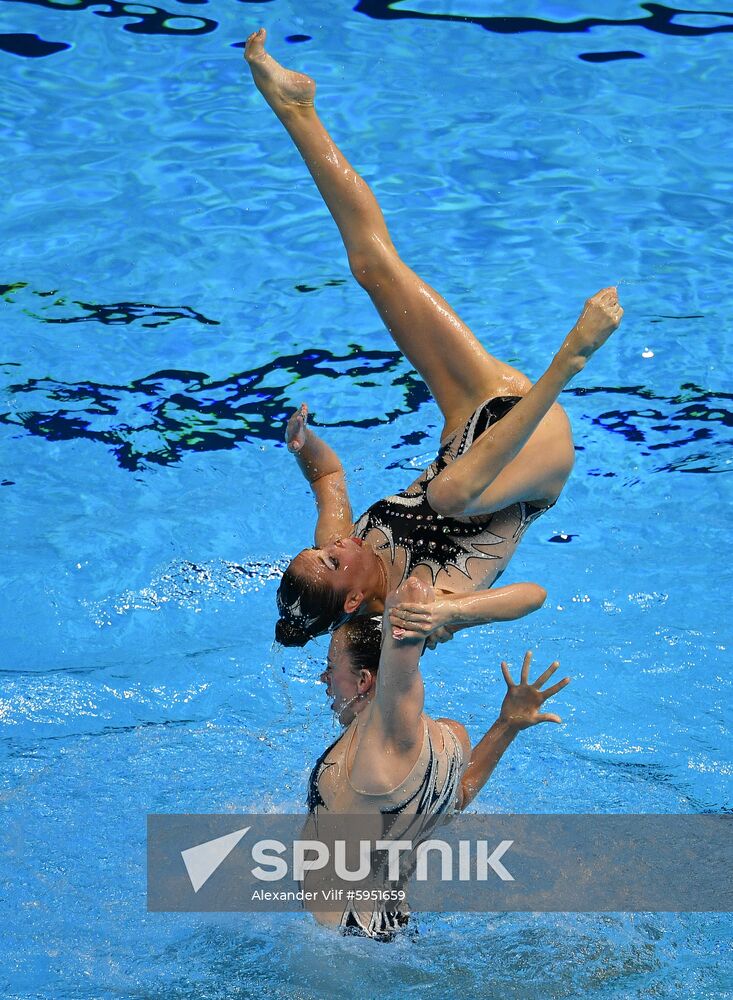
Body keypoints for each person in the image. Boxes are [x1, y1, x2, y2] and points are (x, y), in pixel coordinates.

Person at [243, 29, 624, 647]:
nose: (336, 544)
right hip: (536, 458)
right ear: (357, 597)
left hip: (477, 419)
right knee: (448, 493)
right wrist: (453, 615)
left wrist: (302, 442)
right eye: (334, 560)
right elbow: (533, 596)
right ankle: (571, 357)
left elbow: (328, 479)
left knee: (373, 268)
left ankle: (296, 108)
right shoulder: (418, 605)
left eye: (321, 549)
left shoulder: (339, 548)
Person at [303, 576, 570, 940]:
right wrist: (507, 724)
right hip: (395, 936)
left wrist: (434, 607)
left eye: (332, 667)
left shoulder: (382, 738)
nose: (324, 679)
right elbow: (453, 803)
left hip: (340, 949)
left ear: (365, 679)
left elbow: (413, 597)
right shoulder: (447, 739)